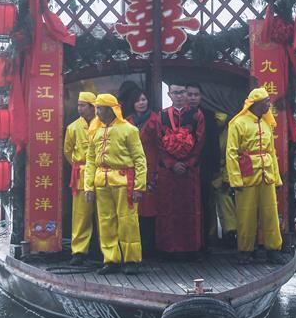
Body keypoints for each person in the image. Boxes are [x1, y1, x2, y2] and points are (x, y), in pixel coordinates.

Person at [83, 93, 147, 275]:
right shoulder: (95, 130)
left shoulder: (129, 129)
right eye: (96, 108)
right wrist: (88, 186)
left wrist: (139, 187)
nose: (97, 112)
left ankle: (132, 260)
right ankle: (111, 259)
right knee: (105, 222)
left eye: (100, 108)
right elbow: (90, 160)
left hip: (123, 180)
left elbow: (140, 159)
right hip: (101, 181)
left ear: (111, 109)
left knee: (128, 221)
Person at [226, 87, 287, 265]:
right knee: (246, 215)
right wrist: (235, 179)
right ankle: (245, 251)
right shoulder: (238, 124)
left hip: (266, 174)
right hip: (247, 175)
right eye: (266, 102)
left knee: (271, 214)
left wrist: (277, 178)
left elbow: (271, 152)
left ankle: (273, 250)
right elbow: (231, 153)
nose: (269, 105)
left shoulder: (267, 123)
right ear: (255, 104)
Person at [148, 84, 205, 256]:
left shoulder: (196, 115)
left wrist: (187, 163)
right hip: (168, 171)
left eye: (182, 93)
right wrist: (172, 163)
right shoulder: (162, 115)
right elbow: (158, 143)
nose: (179, 96)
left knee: (190, 209)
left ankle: (191, 249)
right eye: (175, 93)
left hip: (190, 171)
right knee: (167, 209)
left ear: (187, 94)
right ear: (169, 94)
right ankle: (168, 250)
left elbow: (200, 142)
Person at [121, 84, 159, 254]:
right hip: (132, 168)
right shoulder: (127, 121)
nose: (141, 103)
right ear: (132, 103)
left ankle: (150, 246)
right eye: (137, 101)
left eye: (143, 99)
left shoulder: (155, 119)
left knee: (150, 207)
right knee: (133, 208)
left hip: (151, 165)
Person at [63, 91, 98, 265]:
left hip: (102, 174)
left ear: (93, 107)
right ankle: (79, 251)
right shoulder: (73, 127)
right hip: (82, 174)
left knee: (104, 213)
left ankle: (103, 250)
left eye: (83, 105)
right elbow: (68, 151)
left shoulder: (103, 125)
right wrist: (79, 166)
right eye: (78, 104)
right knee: (81, 214)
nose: (79, 108)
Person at [186, 82, 220, 245]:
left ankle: (205, 240)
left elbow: (214, 143)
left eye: (195, 95)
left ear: (201, 97)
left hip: (204, 167)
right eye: (189, 94)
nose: (192, 98)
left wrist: (215, 167)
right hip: (184, 169)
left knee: (205, 203)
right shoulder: (177, 115)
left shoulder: (209, 116)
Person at [211, 111, 238, 248]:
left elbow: (231, 156)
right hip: (208, 171)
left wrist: (227, 178)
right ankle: (211, 235)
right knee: (209, 203)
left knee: (225, 199)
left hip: (222, 171)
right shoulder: (206, 128)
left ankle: (231, 233)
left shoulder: (229, 132)